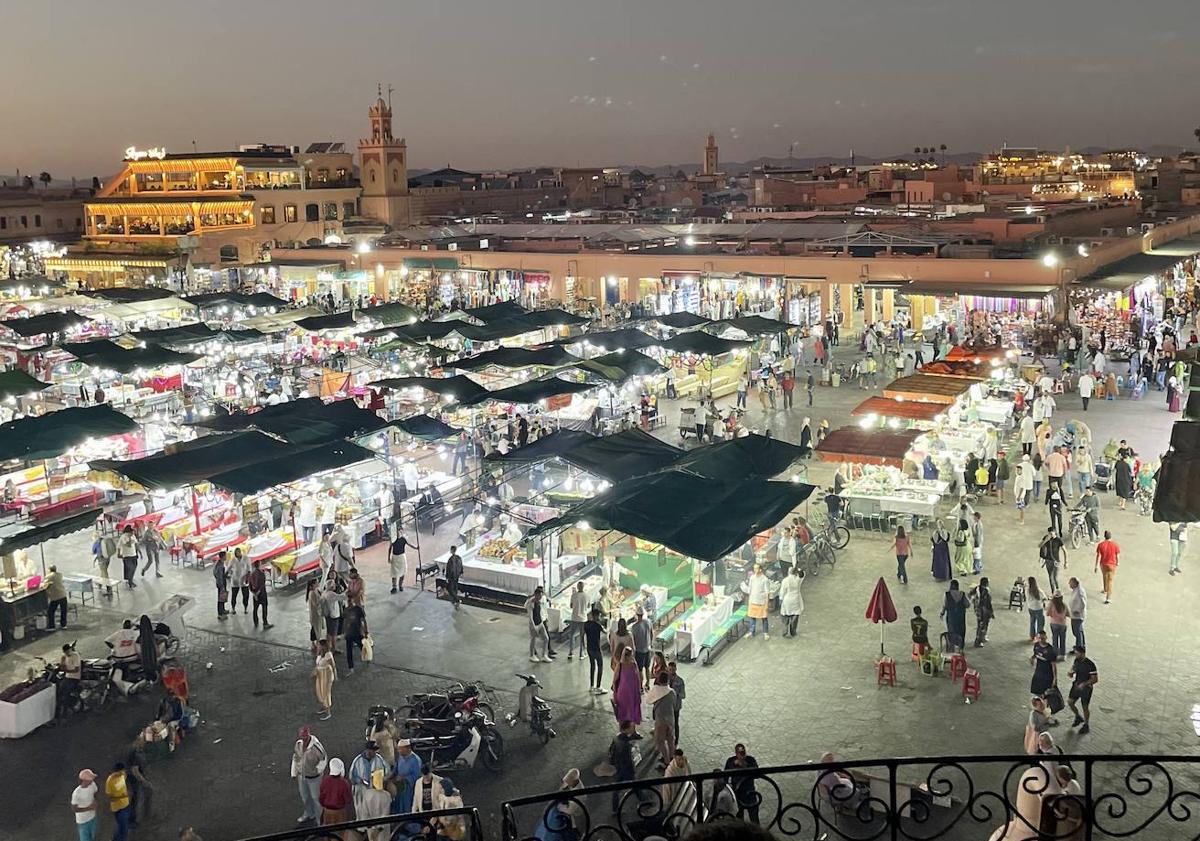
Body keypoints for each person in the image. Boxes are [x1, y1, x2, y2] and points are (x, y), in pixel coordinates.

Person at [349, 740, 392, 836]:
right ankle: (362, 828)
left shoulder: (379, 759)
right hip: (362, 790)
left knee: (375, 809)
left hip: (375, 790)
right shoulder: (357, 761)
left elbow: (387, 772)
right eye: (372, 750)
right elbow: (352, 777)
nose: (374, 752)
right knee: (361, 810)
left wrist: (383, 779)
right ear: (367, 750)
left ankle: (374, 828)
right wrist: (359, 781)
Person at [291, 726, 327, 825]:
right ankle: (309, 813)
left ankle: (319, 818)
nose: (303, 739)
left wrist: (317, 771)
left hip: (314, 778)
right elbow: (296, 757)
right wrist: (294, 771)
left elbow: (323, 759)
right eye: (302, 737)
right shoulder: (298, 744)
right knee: (305, 797)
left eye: (305, 737)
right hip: (302, 776)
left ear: (308, 736)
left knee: (316, 798)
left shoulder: (316, 746)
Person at [607, 720, 641, 813]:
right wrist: (633, 770)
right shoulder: (625, 744)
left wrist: (613, 763)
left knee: (618, 789)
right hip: (626, 769)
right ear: (626, 729)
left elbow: (611, 751)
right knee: (634, 785)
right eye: (631, 727)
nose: (632, 728)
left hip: (619, 767)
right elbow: (628, 759)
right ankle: (644, 801)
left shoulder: (616, 737)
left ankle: (615, 809)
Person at [723, 743, 760, 824]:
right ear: (736, 753)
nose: (742, 755)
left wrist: (745, 765)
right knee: (739, 817)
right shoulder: (731, 761)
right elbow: (725, 777)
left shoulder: (750, 760)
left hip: (750, 792)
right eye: (740, 752)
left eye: (743, 752)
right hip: (737, 793)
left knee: (754, 816)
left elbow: (757, 774)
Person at [647, 674, 677, 768]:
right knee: (670, 740)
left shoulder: (656, 690)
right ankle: (672, 758)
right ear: (668, 681)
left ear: (659, 680)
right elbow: (675, 705)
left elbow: (648, 700)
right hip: (671, 719)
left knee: (660, 741)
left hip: (660, 720)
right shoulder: (672, 692)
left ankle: (666, 761)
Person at [1067, 645, 1098, 735]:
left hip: (1086, 689)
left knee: (1085, 707)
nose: (1075, 655)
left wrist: (1084, 684)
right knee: (1070, 702)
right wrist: (1071, 672)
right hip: (1076, 685)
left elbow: (1095, 679)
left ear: (1082, 653)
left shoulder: (1090, 665)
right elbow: (1074, 668)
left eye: (1077, 653)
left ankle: (1086, 724)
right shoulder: (1077, 660)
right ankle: (1078, 717)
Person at [318, 757, 353, 827]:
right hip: (339, 812)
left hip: (327, 812)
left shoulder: (325, 781)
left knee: (326, 832)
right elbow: (348, 800)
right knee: (340, 832)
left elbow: (321, 797)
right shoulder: (344, 783)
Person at [612, 648, 642, 725]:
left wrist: (639, 690)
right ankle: (623, 731)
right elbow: (615, 680)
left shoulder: (634, 665)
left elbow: (638, 678)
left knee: (633, 711)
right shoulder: (620, 665)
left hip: (633, 692)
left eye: (628, 654)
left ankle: (632, 730)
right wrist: (615, 693)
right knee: (623, 711)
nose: (627, 656)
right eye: (626, 654)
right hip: (623, 693)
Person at [392, 739, 421, 814]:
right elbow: (395, 769)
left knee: (408, 807)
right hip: (400, 787)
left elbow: (417, 776)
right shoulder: (400, 757)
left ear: (408, 748)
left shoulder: (415, 760)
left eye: (401, 749)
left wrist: (404, 778)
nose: (399, 751)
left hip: (410, 789)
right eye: (399, 749)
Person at [105, 762, 132, 841]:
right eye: (120, 772)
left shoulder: (123, 774)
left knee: (123, 827)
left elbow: (125, 778)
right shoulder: (109, 781)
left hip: (126, 804)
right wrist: (123, 796)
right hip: (117, 808)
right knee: (123, 828)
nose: (121, 773)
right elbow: (111, 798)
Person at [525, 586, 551, 663]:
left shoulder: (538, 602)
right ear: (535, 594)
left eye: (541, 595)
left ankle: (544, 655)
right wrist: (533, 626)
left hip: (540, 622)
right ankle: (531, 655)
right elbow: (530, 616)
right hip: (534, 624)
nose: (540, 597)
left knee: (546, 638)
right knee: (533, 640)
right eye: (539, 595)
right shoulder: (531, 603)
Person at [941, 579, 969, 651]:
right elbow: (967, 605)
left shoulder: (947, 594)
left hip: (951, 617)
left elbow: (945, 605)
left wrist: (942, 613)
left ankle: (952, 647)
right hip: (960, 617)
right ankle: (961, 648)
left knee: (952, 631)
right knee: (961, 631)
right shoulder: (962, 594)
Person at [584, 608, 607, 694]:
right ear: (596, 616)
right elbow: (606, 632)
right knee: (600, 666)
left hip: (589, 648)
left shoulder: (586, 624)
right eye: (599, 616)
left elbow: (583, 634)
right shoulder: (598, 626)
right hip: (597, 649)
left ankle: (591, 685)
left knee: (592, 666)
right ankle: (598, 686)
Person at [745, 563, 770, 639]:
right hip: (753, 600)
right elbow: (750, 589)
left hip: (761, 602)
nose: (754, 570)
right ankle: (751, 632)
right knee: (752, 617)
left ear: (760, 569)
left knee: (764, 618)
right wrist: (749, 600)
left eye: (756, 568)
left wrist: (766, 604)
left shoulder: (765, 579)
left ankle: (765, 632)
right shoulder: (752, 577)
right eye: (754, 568)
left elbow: (767, 592)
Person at [778, 564, 805, 637]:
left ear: (789, 572)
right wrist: (797, 569)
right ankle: (793, 631)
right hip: (796, 599)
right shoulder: (798, 579)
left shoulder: (785, 580)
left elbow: (782, 591)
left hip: (787, 599)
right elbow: (802, 574)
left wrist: (781, 599)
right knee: (795, 616)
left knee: (785, 615)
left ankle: (785, 630)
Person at [313, 639, 336, 721]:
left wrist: (335, 676)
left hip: (326, 675)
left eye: (319, 645)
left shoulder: (328, 655)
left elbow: (333, 666)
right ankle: (324, 707)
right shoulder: (319, 654)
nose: (318, 646)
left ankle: (328, 712)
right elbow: (318, 664)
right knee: (320, 691)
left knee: (326, 692)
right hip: (320, 674)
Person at [343, 598, 368, 672]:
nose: (349, 602)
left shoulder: (358, 609)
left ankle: (367, 657)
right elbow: (345, 621)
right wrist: (344, 632)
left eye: (350, 601)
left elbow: (363, 620)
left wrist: (366, 631)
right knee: (349, 651)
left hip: (357, 632)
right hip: (349, 634)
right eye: (348, 601)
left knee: (362, 646)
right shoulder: (346, 610)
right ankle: (351, 667)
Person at [631, 607, 654, 688]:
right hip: (647, 649)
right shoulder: (648, 622)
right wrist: (651, 643)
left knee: (640, 670)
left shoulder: (634, 627)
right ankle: (648, 683)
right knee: (647, 668)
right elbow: (652, 633)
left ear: (637, 615)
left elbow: (633, 640)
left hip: (639, 651)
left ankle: (640, 686)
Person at [1030, 630, 1057, 698]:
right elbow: (1035, 654)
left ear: (1046, 638)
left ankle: (1045, 706)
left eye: (1043, 638)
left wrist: (1055, 678)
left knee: (1046, 694)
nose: (1041, 640)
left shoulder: (1050, 650)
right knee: (1036, 692)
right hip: (1038, 673)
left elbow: (1053, 665)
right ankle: (1040, 706)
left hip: (1047, 675)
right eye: (1039, 638)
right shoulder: (1036, 645)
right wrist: (1032, 658)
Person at [566, 581, 588, 660]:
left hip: (574, 617)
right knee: (582, 636)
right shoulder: (586, 596)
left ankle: (571, 652)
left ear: (578, 587)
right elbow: (588, 606)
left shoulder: (574, 595)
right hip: (583, 619)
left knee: (572, 635)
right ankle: (581, 654)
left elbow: (571, 606)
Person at [1040, 528, 1066, 594]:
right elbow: (1040, 545)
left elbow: (1064, 550)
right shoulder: (1046, 538)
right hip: (1048, 561)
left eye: (1051, 533)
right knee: (1050, 577)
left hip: (1056, 561)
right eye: (1049, 533)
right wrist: (1046, 540)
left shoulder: (1058, 540)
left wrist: (1066, 562)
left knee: (1055, 577)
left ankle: (1058, 590)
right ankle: (1053, 592)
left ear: (1055, 532)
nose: (1050, 535)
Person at [43, 564, 68, 630]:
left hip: (56, 597)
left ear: (49, 570)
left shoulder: (49, 576)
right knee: (63, 610)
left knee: (50, 611)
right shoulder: (59, 575)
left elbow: (45, 585)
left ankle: (51, 626)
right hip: (63, 595)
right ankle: (63, 625)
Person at [971, 576, 994, 647]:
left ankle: (982, 637)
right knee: (982, 625)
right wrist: (991, 612)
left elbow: (971, 595)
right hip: (984, 611)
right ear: (986, 583)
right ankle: (978, 641)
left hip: (977, 610)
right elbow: (988, 602)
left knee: (980, 624)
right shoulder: (985, 591)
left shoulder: (977, 588)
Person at [1046, 592, 1069, 660]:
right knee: (1063, 640)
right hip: (1063, 625)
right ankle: (1062, 654)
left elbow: (1047, 613)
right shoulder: (1064, 605)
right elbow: (1068, 614)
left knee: (1055, 639)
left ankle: (1055, 654)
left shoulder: (1051, 605)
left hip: (1054, 624)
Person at [1067, 577, 1087, 650]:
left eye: (1070, 582)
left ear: (1074, 583)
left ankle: (1079, 647)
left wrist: (1077, 610)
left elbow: (1082, 603)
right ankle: (1081, 645)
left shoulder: (1079, 592)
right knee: (1079, 631)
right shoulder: (1076, 590)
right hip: (1075, 615)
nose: (1069, 584)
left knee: (1077, 632)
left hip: (1077, 616)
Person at [667, 661, 686, 738]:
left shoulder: (680, 681)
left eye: (673, 669)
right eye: (670, 669)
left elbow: (683, 695)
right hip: (667, 706)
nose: (671, 671)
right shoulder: (666, 679)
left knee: (675, 723)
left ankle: (676, 739)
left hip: (675, 706)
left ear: (676, 669)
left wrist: (676, 694)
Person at [213, 551, 229, 620]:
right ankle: (220, 614)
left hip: (222, 582)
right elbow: (219, 576)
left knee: (223, 598)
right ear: (223, 557)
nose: (226, 557)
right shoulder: (219, 565)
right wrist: (221, 585)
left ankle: (223, 610)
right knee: (220, 599)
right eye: (226, 556)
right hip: (221, 584)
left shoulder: (220, 563)